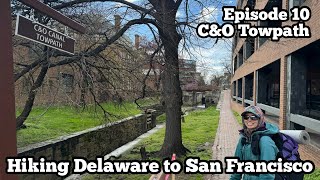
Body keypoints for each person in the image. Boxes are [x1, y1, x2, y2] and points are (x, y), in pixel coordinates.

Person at [230, 106, 279, 180]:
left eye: (253, 117)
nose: (249, 120)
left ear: (260, 119)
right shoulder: (244, 138)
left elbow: (267, 175)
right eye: (246, 117)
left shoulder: (265, 141)